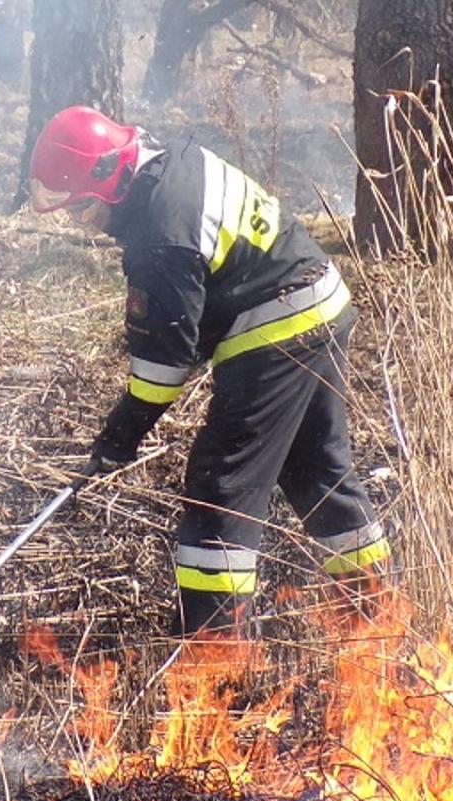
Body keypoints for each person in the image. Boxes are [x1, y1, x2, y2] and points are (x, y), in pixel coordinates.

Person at [27, 105, 391, 638]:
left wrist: (120, 437)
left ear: (110, 175)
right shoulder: (172, 161)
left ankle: (215, 652)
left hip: (277, 328)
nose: (87, 224)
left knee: (219, 486)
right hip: (321, 301)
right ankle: (376, 616)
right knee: (315, 470)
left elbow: (164, 365)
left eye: (83, 208)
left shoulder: (161, 234)